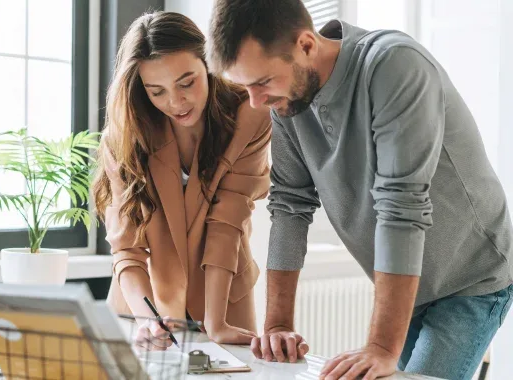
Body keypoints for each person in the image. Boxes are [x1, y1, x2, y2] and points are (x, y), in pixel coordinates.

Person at [206, 1, 513, 379]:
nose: (256, 102)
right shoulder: (287, 102)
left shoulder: (395, 65)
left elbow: (401, 205)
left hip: (470, 278)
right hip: (412, 283)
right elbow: (289, 205)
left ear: (305, 44)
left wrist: (381, 347)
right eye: (246, 86)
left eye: (263, 82)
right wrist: (277, 326)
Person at [93, 11, 272, 350]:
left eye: (186, 82)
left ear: (208, 63)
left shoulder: (249, 114)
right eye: (156, 91)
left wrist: (216, 323)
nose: (175, 103)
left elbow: (228, 223)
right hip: (144, 305)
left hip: (223, 300)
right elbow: (127, 249)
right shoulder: (125, 137)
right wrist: (148, 321)